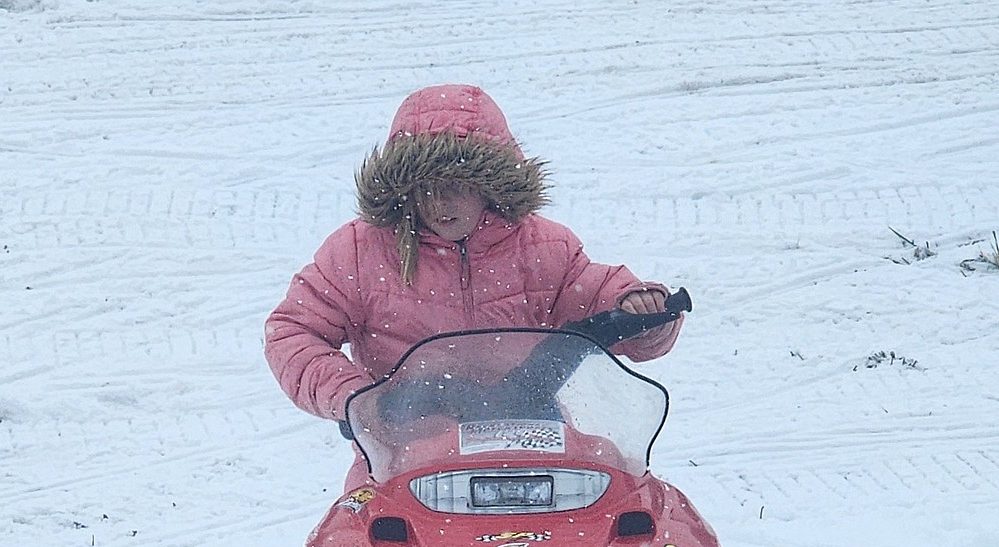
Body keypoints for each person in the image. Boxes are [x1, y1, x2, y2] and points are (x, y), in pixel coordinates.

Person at [264, 83, 684, 428]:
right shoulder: (360, 251)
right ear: (405, 189)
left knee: (622, 514)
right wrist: (358, 400)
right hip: (401, 449)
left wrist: (638, 307)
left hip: (534, 437)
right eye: (427, 186)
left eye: (460, 184)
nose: (442, 202)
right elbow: (292, 332)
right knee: (360, 533)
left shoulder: (542, 246)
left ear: (490, 185)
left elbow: (598, 294)